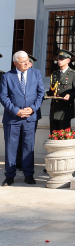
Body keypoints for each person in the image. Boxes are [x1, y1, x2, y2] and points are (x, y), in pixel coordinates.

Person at [1, 51, 44, 186]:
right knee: (11, 147)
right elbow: (3, 97)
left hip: (30, 117)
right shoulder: (7, 76)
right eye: (22, 61)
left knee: (28, 146)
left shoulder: (36, 73)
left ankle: (28, 174)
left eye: (27, 60)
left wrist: (32, 109)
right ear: (15, 64)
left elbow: (41, 93)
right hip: (12, 118)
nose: (27, 63)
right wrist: (16, 111)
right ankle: (9, 175)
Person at [47, 49, 75, 134]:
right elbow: (51, 90)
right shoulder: (55, 74)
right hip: (54, 108)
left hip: (65, 110)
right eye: (58, 59)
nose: (59, 61)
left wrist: (70, 95)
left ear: (68, 60)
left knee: (63, 136)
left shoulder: (74, 74)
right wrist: (43, 95)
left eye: (62, 59)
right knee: (53, 136)